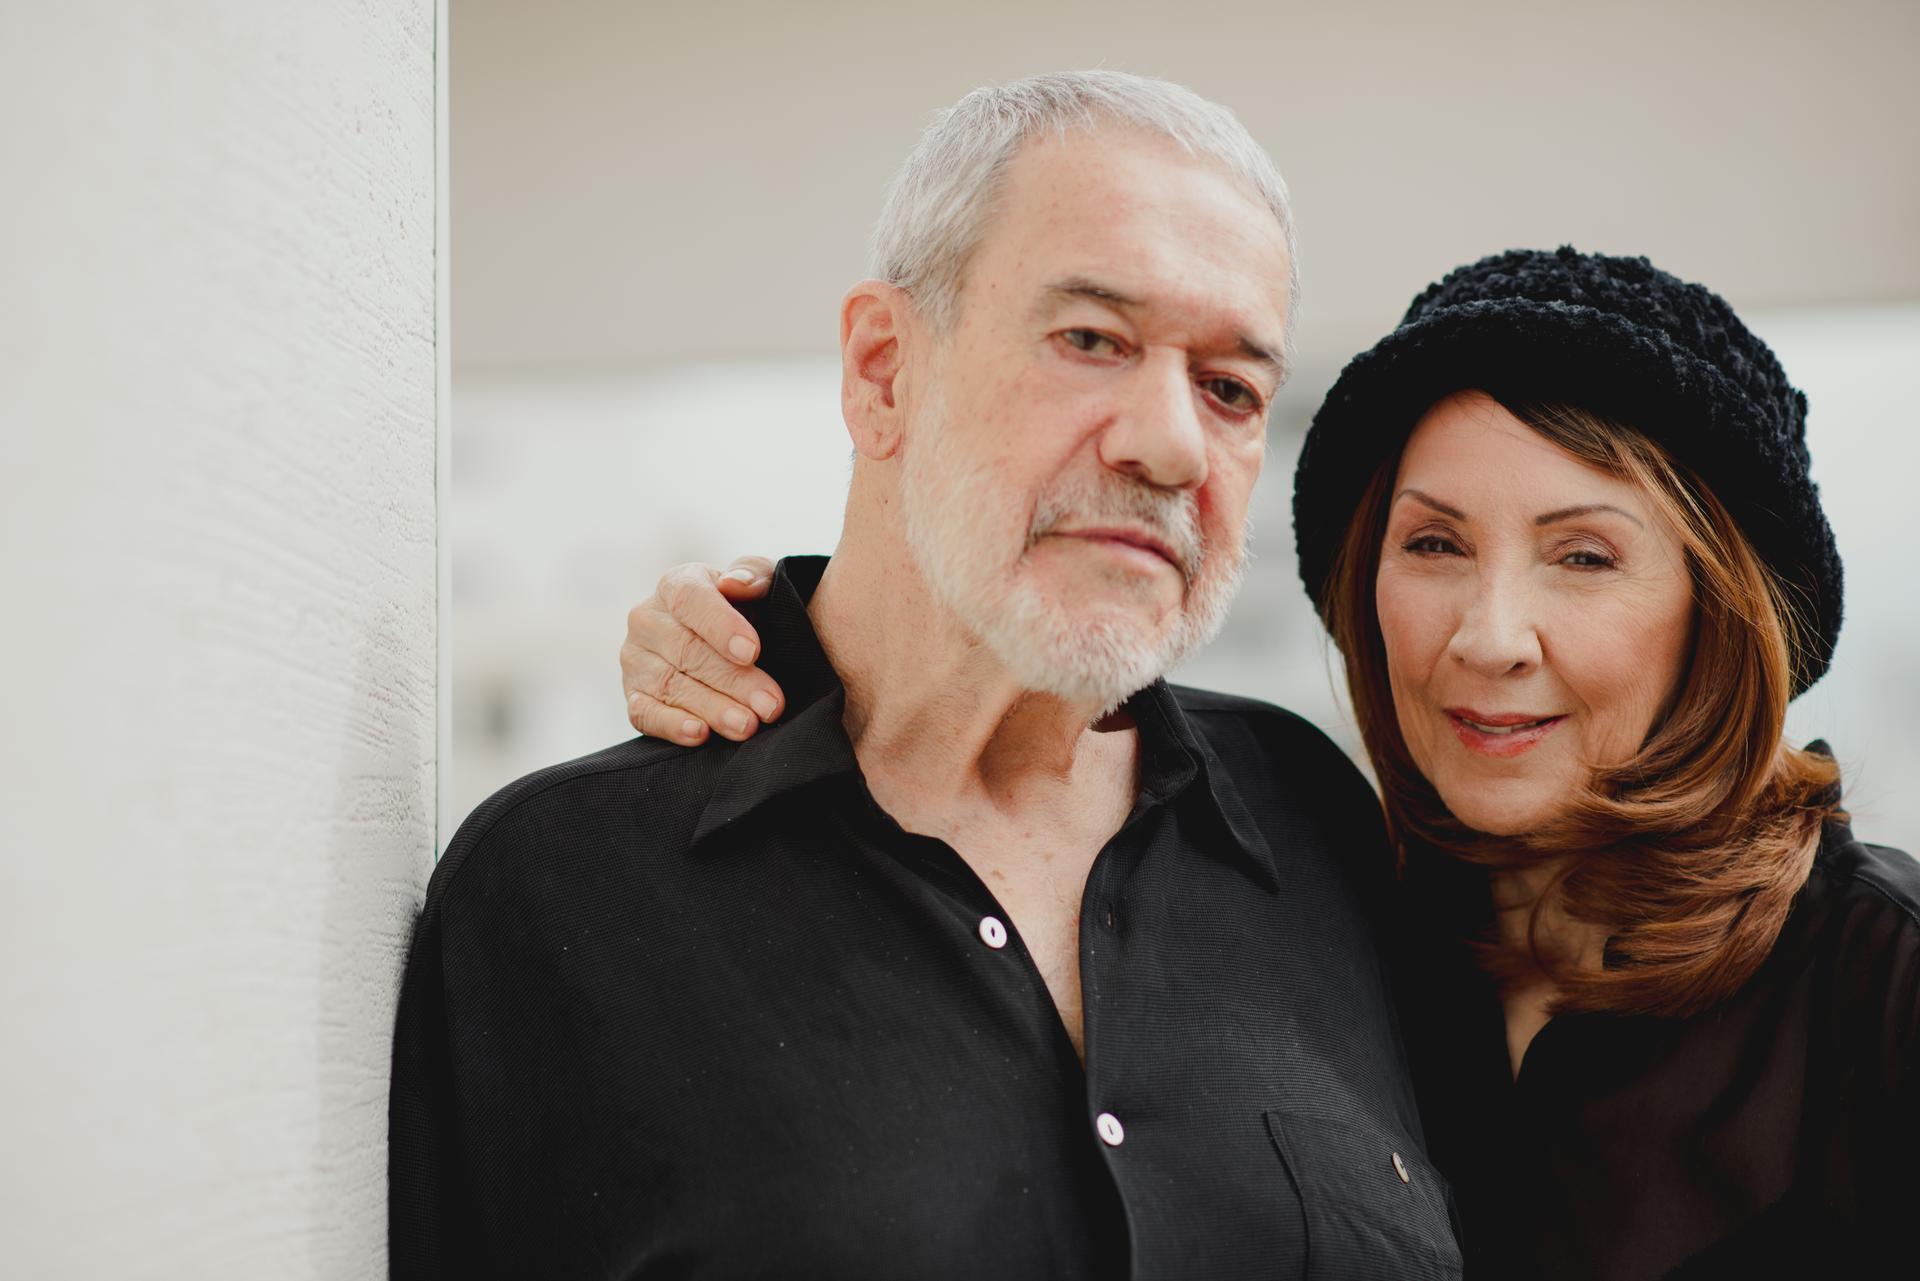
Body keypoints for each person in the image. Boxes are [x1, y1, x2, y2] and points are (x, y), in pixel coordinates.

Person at [626, 247, 1920, 1277]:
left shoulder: (1880, 980)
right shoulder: (1326, 897)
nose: (1488, 636)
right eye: (1434, 545)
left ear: (1719, 613)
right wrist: (764, 651)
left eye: (1584, 557)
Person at [392, 72, 1461, 1280]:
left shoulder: (1320, 824)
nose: (1171, 444)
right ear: (884, 371)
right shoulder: (557, 891)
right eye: (1092, 340)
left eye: (1230, 390)